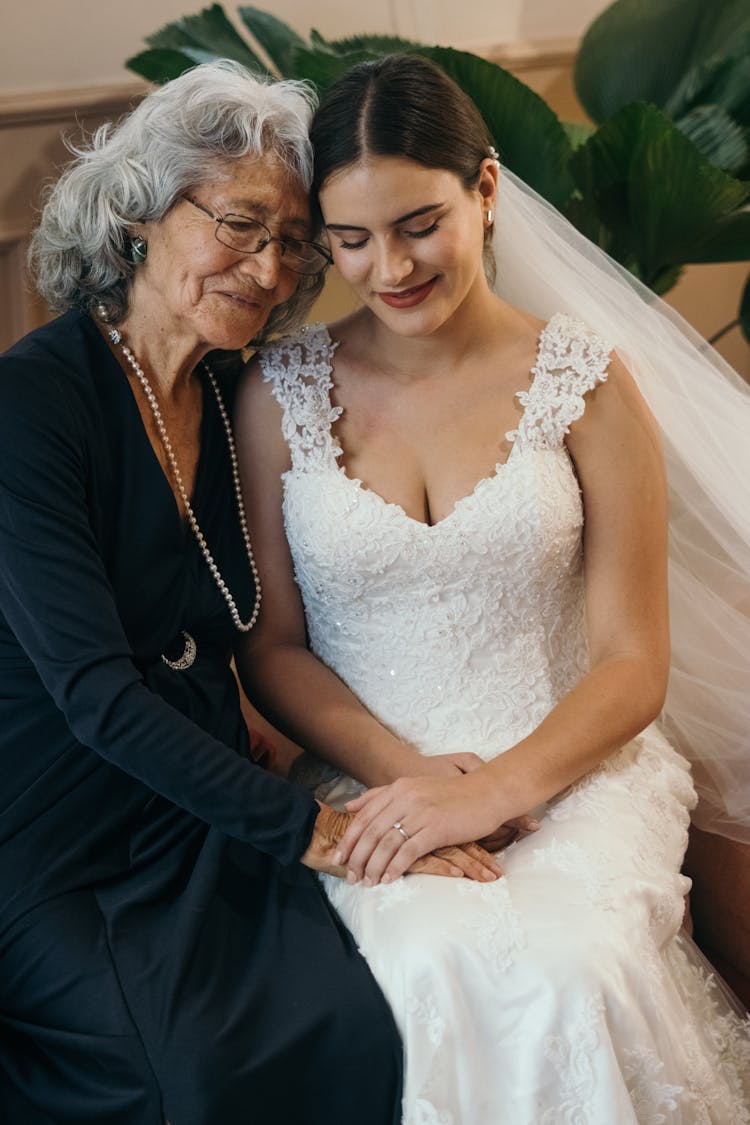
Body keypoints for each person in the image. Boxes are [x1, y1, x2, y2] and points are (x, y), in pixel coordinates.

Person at [235, 55, 750, 1122]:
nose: (389, 266)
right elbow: (274, 645)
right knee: (408, 964)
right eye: (351, 239)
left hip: (576, 767)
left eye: (420, 222)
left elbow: (630, 661)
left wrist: (493, 789)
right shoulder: (277, 395)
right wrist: (411, 781)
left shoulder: (589, 383)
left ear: (486, 190)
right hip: (371, 777)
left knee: (565, 968)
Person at [0, 59, 503, 1125]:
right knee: (184, 1071)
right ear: (138, 214)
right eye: (238, 225)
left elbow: (254, 626)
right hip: (59, 819)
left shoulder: (239, 395)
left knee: (361, 1011)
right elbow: (93, 695)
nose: (269, 270)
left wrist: (386, 778)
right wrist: (316, 830)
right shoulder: (28, 406)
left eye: (293, 244)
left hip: (210, 788)